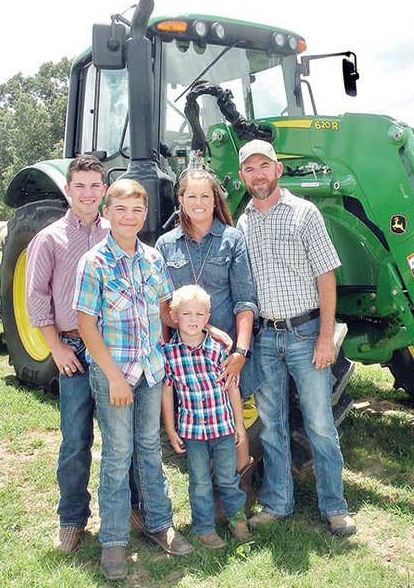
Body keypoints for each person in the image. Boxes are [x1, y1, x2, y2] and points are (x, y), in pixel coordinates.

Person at [73, 179, 194, 581]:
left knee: (148, 449)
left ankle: (160, 524)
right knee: (117, 454)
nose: (129, 217)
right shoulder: (95, 262)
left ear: (145, 215)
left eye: (137, 210)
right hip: (116, 375)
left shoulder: (153, 259)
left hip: (151, 370)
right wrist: (114, 378)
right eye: (121, 210)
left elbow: (164, 311)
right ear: (107, 213)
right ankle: (113, 542)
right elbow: (86, 326)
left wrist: (202, 328)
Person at [235, 139, 357, 537]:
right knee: (271, 426)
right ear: (242, 176)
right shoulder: (244, 222)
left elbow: (326, 277)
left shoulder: (305, 214)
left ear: (278, 170)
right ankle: (277, 503)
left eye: (263, 166)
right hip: (267, 337)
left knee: (320, 423)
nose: (258, 174)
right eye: (250, 168)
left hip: (306, 334)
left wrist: (325, 337)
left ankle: (334, 507)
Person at [25, 154, 109, 554]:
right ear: (68, 189)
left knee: (119, 438)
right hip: (73, 348)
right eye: (81, 186)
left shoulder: (117, 233)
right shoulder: (50, 238)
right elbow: (36, 297)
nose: (88, 193)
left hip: (112, 348)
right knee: (75, 440)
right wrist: (55, 346)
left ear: (104, 190)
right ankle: (71, 520)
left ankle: (128, 510)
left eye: (95, 185)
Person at [155, 166, 258, 489]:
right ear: (181, 200)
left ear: (215, 201)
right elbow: (162, 306)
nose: (198, 202)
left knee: (234, 416)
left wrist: (240, 351)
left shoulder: (232, 239)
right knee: (197, 419)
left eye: (205, 196)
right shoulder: (165, 245)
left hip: (225, 356)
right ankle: (209, 495)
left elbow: (245, 302)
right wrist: (199, 331)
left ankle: (237, 497)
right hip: (186, 356)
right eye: (191, 196)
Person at [161, 284, 252, 548]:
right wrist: (170, 428)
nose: (193, 320)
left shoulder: (217, 350)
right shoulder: (169, 354)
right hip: (193, 431)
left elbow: (231, 386)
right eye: (186, 314)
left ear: (207, 318)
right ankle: (204, 527)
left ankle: (237, 519)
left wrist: (239, 424)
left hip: (222, 427)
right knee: (200, 481)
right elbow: (167, 395)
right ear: (175, 317)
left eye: (199, 315)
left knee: (227, 477)